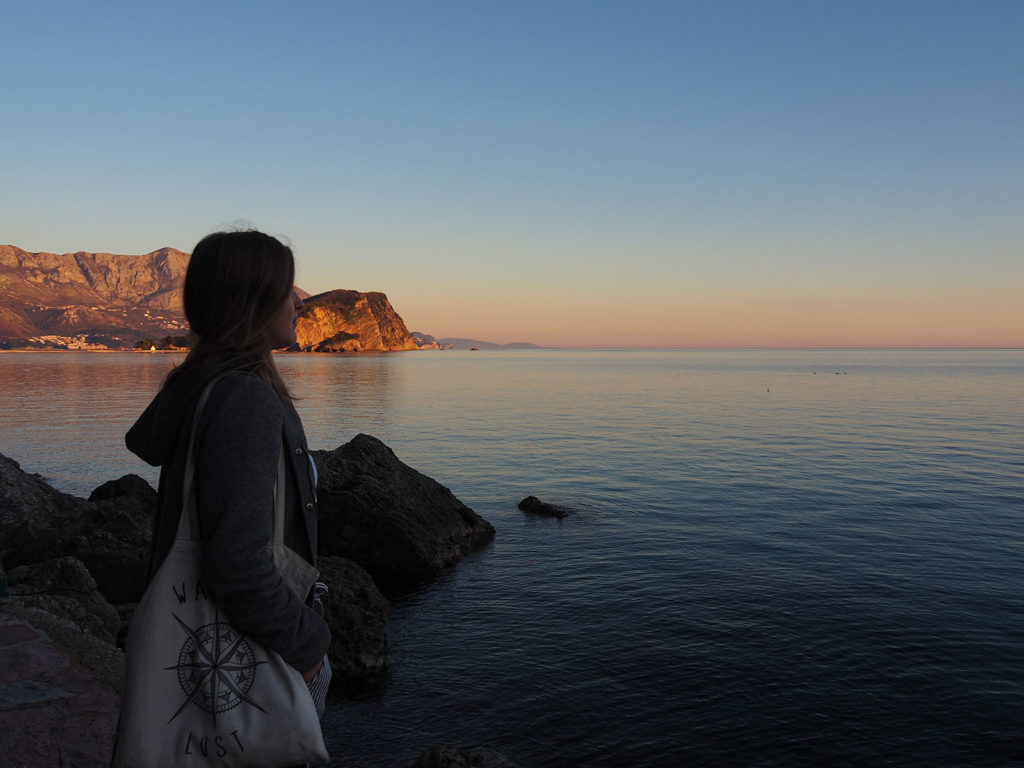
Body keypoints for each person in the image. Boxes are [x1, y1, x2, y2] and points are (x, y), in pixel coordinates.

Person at [125, 229, 332, 720]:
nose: (298, 303)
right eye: (288, 290)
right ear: (253, 303)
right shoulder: (245, 399)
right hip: (258, 650)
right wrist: (309, 647)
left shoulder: (202, 387)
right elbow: (237, 563)